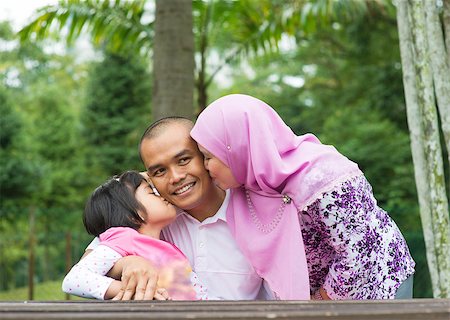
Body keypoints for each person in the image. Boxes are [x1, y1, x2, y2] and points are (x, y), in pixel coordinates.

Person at [190, 93, 415, 300]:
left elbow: (358, 251)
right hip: (318, 303)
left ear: (236, 149)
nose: (205, 166)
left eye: (208, 156)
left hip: (380, 284)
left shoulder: (325, 176)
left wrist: (318, 302)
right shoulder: (249, 188)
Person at [80, 118, 271, 300]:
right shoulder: (154, 218)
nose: (175, 177)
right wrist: (127, 263)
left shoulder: (253, 210)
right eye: (159, 171)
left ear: (205, 156)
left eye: (183, 160)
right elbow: (89, 262)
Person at [62, 170, 203, 300]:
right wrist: (131, 290)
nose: (160, 195)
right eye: (152, 193)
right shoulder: (123, 238)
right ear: (133, 216)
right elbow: (75, 280)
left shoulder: (157, 242)